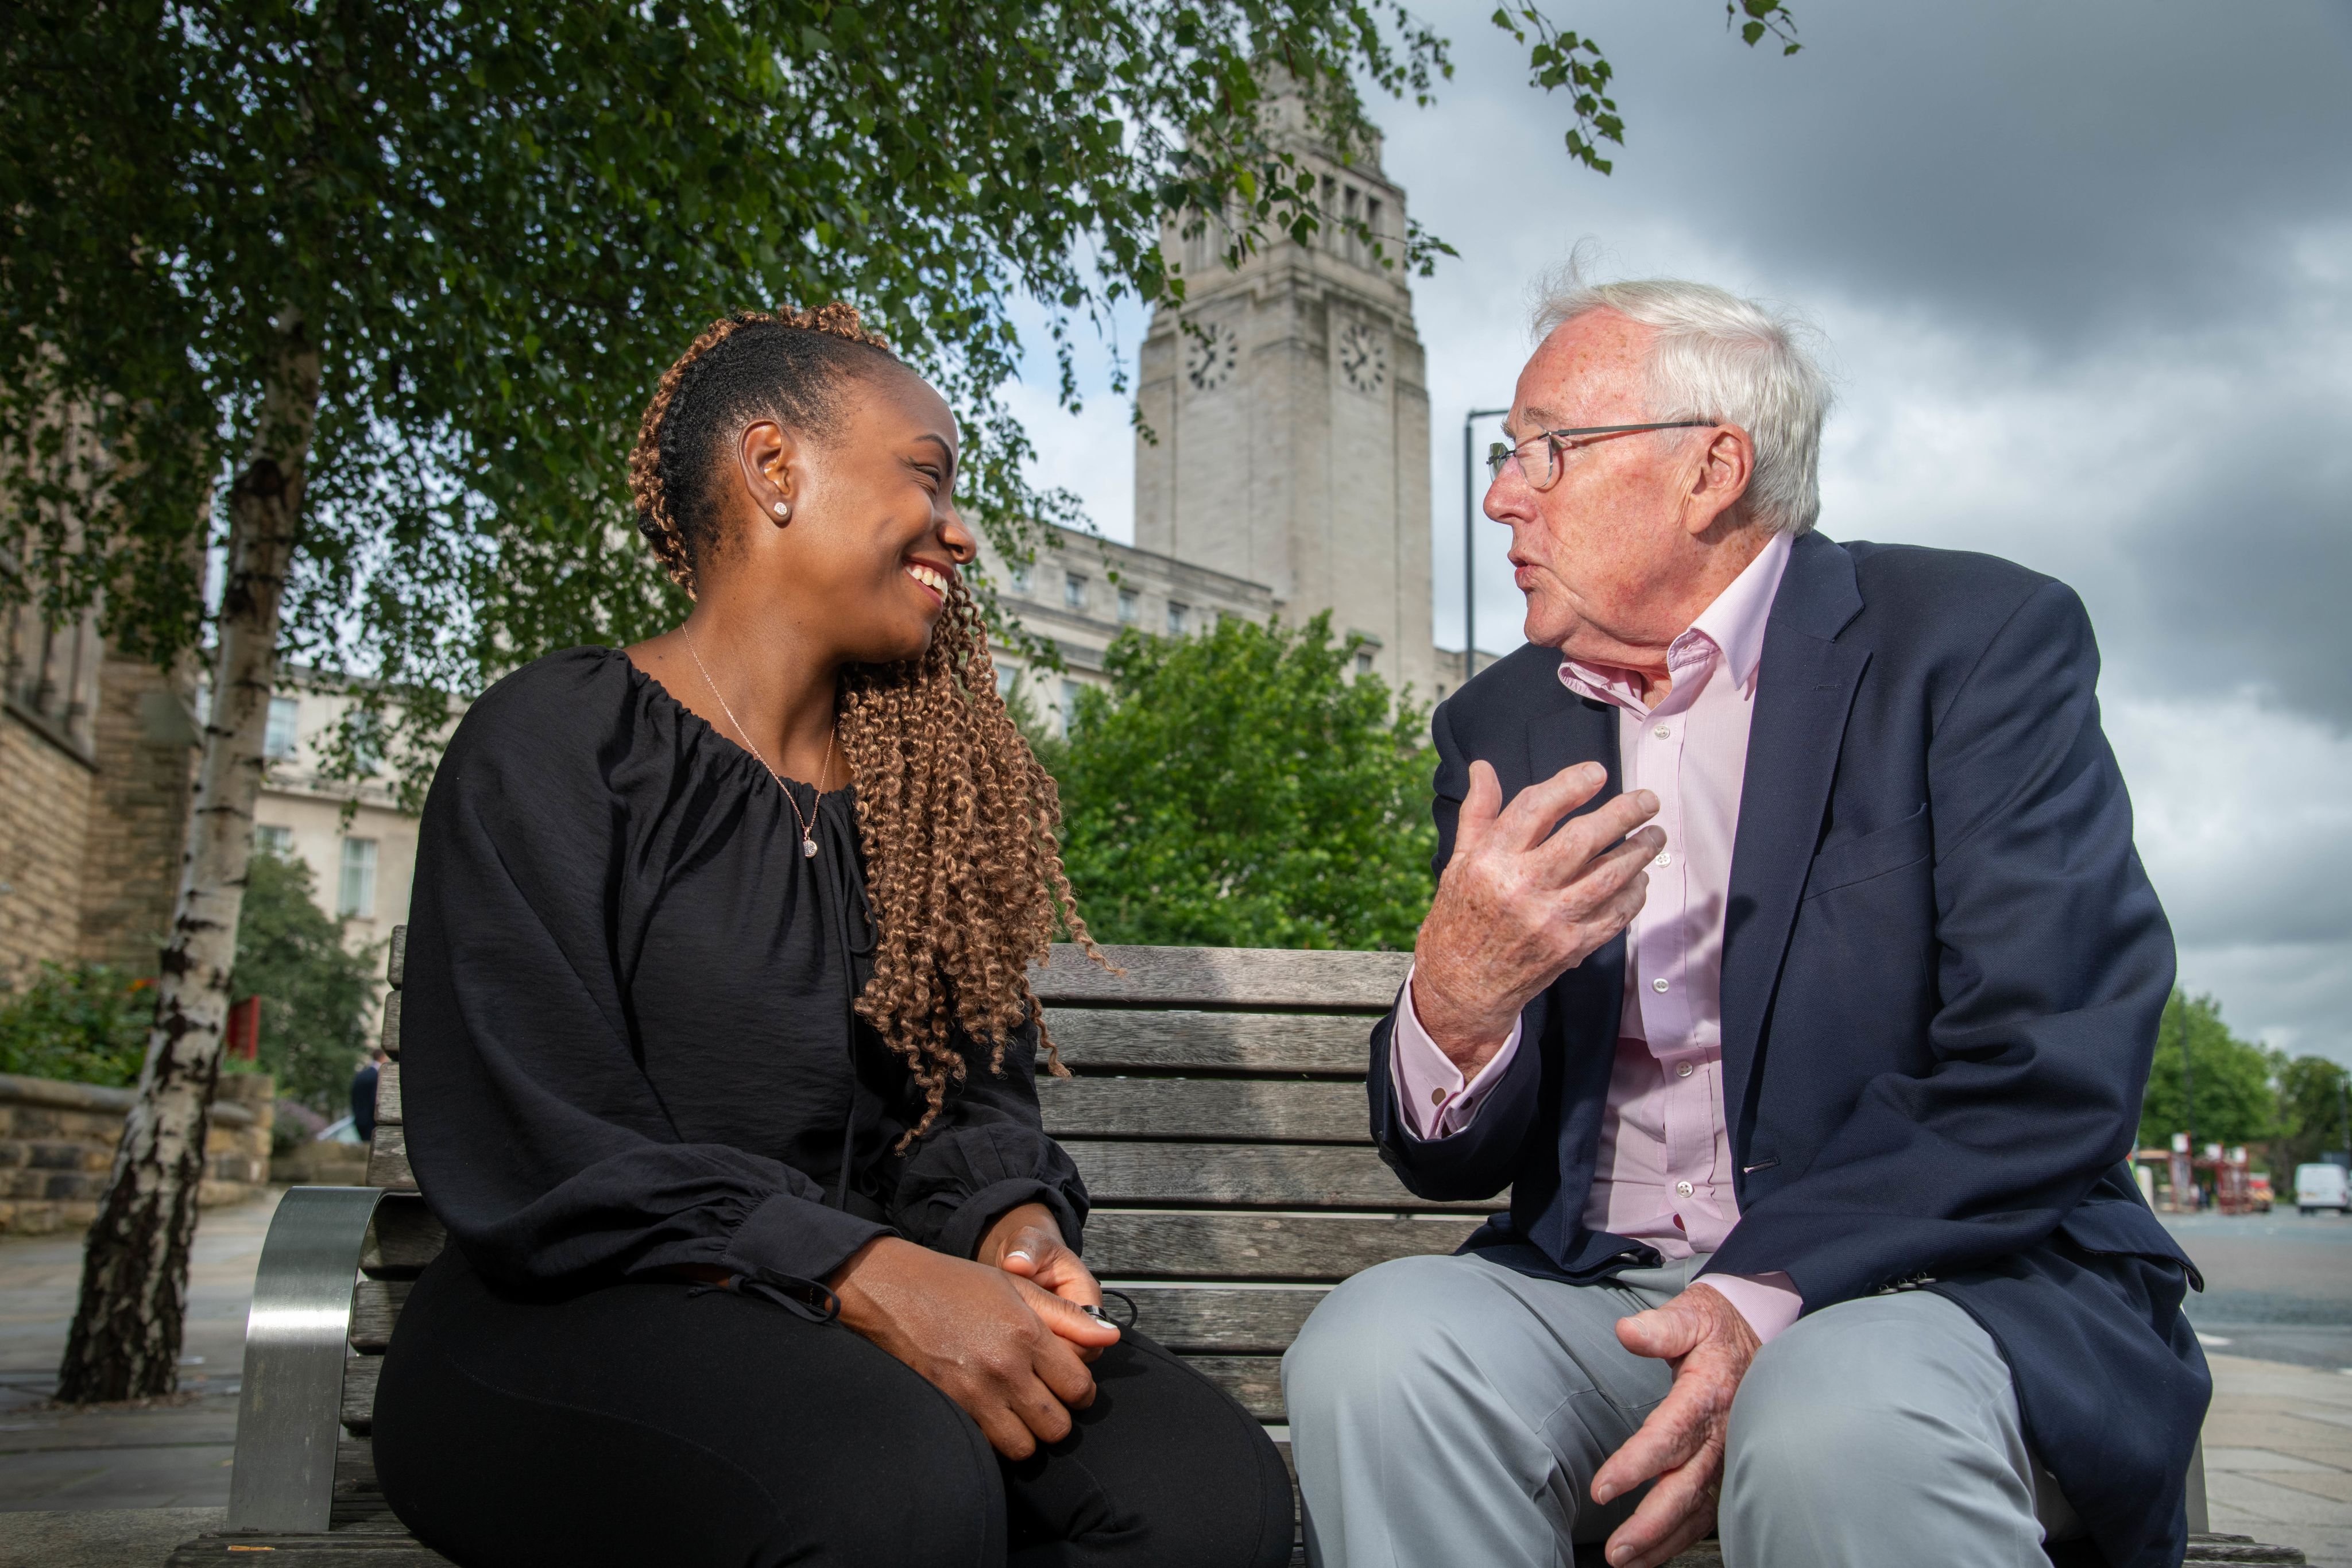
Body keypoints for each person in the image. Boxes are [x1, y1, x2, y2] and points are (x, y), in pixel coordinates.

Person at [1281, 276, 2206, 1568]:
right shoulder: (1499, 724)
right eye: (1505, 455)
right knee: (1376, 1349)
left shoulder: (1972, 641)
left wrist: (1756, 1297)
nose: (1503, 494)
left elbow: (2047, 1063)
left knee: (1833, 1413)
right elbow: (1441, 1161)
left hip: (1935, 1287)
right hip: (1601, 1300)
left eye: (1546, 446)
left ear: (1713, 465)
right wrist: (1455, 999)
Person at [371, 306, 1293, 1568]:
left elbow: (969, 1109)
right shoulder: (556, 743)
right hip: (565, 1321)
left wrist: (1006, 1233)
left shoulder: (922, 802)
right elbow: (550, 1144)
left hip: (855, 1321)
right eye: (927, 476)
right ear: (772, 471)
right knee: (894, 1496)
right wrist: (864, 1272)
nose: (960, 533)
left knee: (1209, 1498)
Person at [351, 1048, 383, 1144]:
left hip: (360, 1120)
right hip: (373, 1122)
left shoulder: (361, 1075)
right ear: (382, 1057)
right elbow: (375, 1100)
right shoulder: (378, 1075)